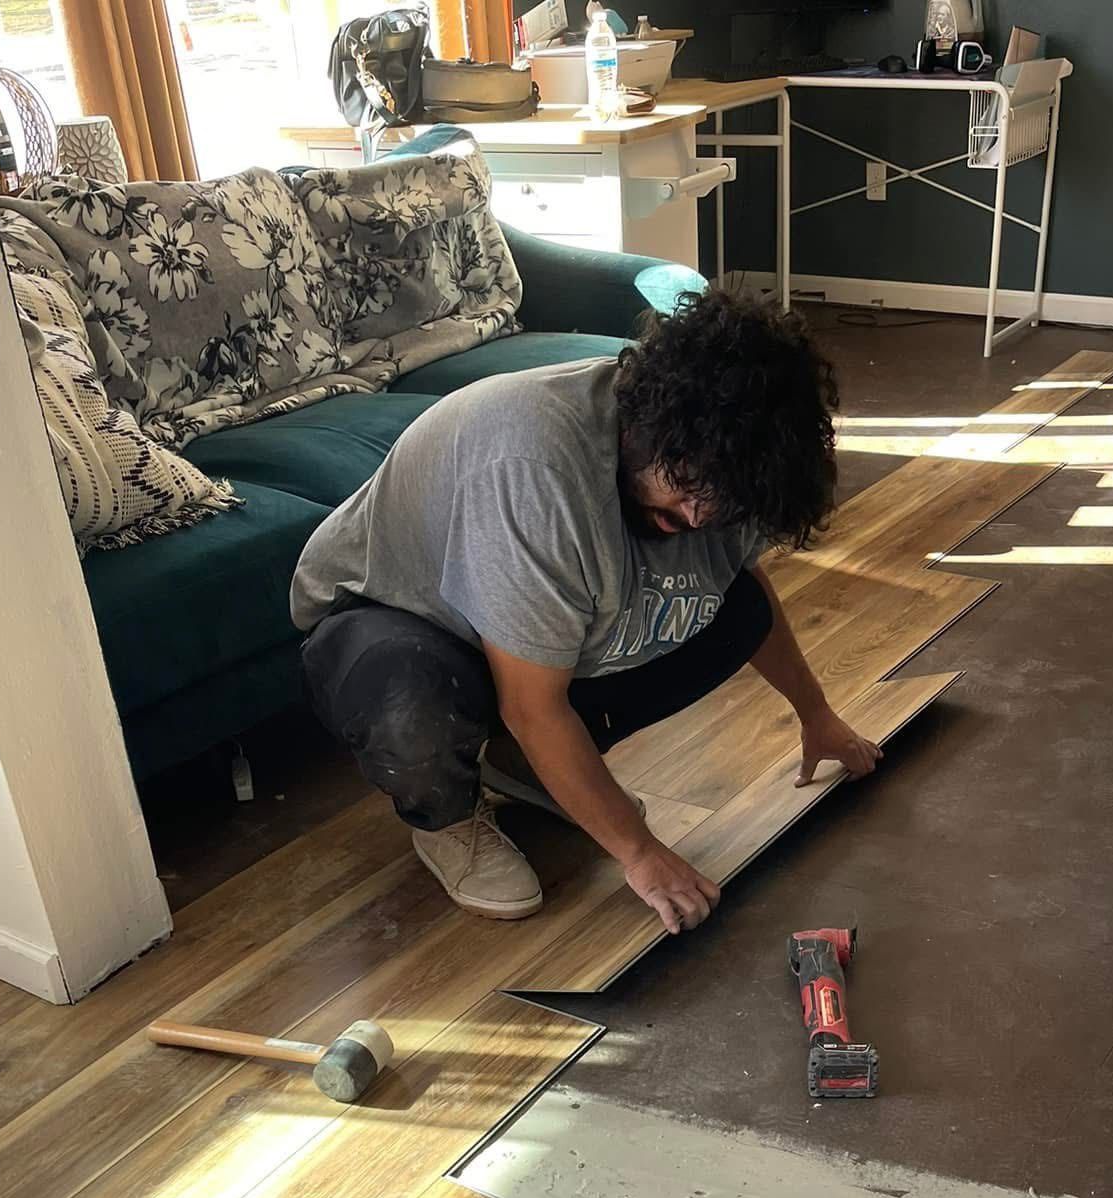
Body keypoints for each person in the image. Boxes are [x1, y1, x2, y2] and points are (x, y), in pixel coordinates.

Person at [291, 291, 882, 935]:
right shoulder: (534, 468)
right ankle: (448, 819)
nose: (696, 515)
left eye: (720, 504)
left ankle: (522, 769)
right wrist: (640, 854)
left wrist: (817, 714)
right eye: (686, 486)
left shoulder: (727, 468)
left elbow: (742, 587)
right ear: (649, 422)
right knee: (412, 699)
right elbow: (532, 707)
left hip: (521, 629)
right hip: (392, 617)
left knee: (734, 614)